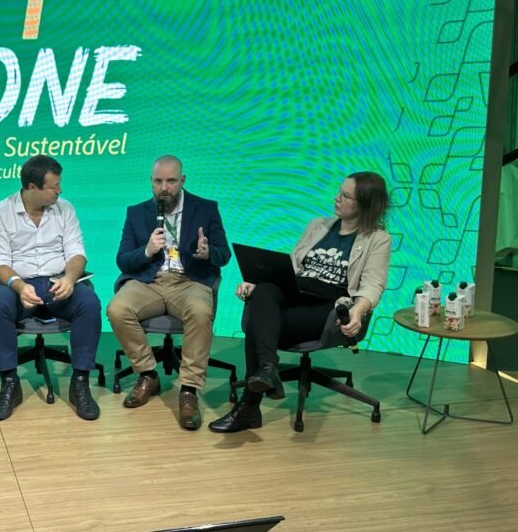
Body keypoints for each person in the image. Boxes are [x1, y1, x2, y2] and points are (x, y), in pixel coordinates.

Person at [208, 172, 391, 433]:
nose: (336, 198)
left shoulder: (377, 239)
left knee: (260, 323)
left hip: (327, 306)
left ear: (364, 204)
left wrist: (358, 310)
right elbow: (292, 265)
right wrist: (257, 283)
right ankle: (268, 368)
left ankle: (249, 406)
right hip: (295, 292)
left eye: (345, 196)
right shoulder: (318, 225)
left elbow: (373, 285)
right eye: (339, 191)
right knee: (263, 291)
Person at [106, 156, 231, 430]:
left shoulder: (206, 208)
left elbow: (224, 255)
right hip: (149, 281)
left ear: (182, 180)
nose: (165, 188)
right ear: (151, 182)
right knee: (116, 309)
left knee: (201, 311)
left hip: (189, 281)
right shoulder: (136, 212)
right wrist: (147, 250)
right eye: (159, 181)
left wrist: (208, 252)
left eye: (171, 181)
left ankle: (189, 390)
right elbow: (123, 260)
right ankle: (147, 374)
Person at [0, 155, 102, 421]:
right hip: (19, 283)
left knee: (89, 303)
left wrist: (69, 279)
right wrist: (18, 285)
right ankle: (9, 383)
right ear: (32, 187)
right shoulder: (0, 213)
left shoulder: (65, 209)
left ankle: (80, 383)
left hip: (57, 282)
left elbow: (77, 253)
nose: (60, 190)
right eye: (53, 186)